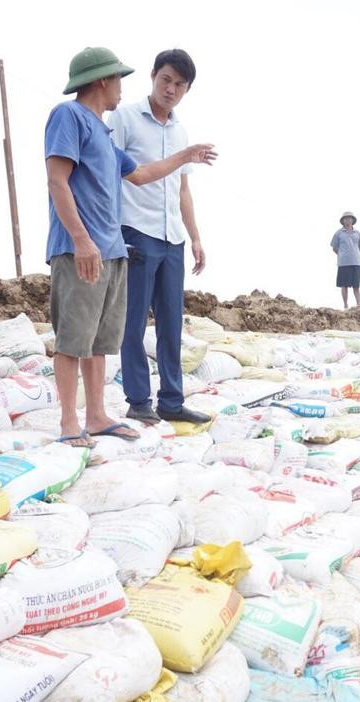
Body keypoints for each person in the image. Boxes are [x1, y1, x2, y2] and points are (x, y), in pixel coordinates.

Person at [44, 46, 216, 446]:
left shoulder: (102, 132)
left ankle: (98, 415)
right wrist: (82, 239)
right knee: (74, 338)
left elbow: (140, 174)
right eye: (118, 78)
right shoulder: (68, 116)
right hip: (81, 248)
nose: (123, 87)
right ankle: (71, 423)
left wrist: (186, 155)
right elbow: (57, 181)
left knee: (100, 339)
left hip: (112, 250)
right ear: (103, 80)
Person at [109, 48, 210, 425]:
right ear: (153, 75)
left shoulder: (180, 131)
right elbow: (110, 171)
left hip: (172, 238)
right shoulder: (124, 118)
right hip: (136, 229)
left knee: (171, 323)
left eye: (179, 85)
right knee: (133, 321)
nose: (171, 89)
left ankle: (171, 400)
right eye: (166, 79)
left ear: (186, 90)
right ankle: (138, 400)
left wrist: (195, 237)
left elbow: (182, 189)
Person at [330, 211, 360, 308]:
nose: (348, 220)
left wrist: (353, 254)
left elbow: (359, 247)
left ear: (353, 220)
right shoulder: (338, 233)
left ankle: (359, 305)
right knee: (344, 285)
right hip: (343, 263)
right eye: (345, 218)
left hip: (356, 262)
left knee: (356, 286)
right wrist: (342, 255)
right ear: (343, 221)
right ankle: (345, 305)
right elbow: (334, 248)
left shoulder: (358, 233)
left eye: (349, 218)